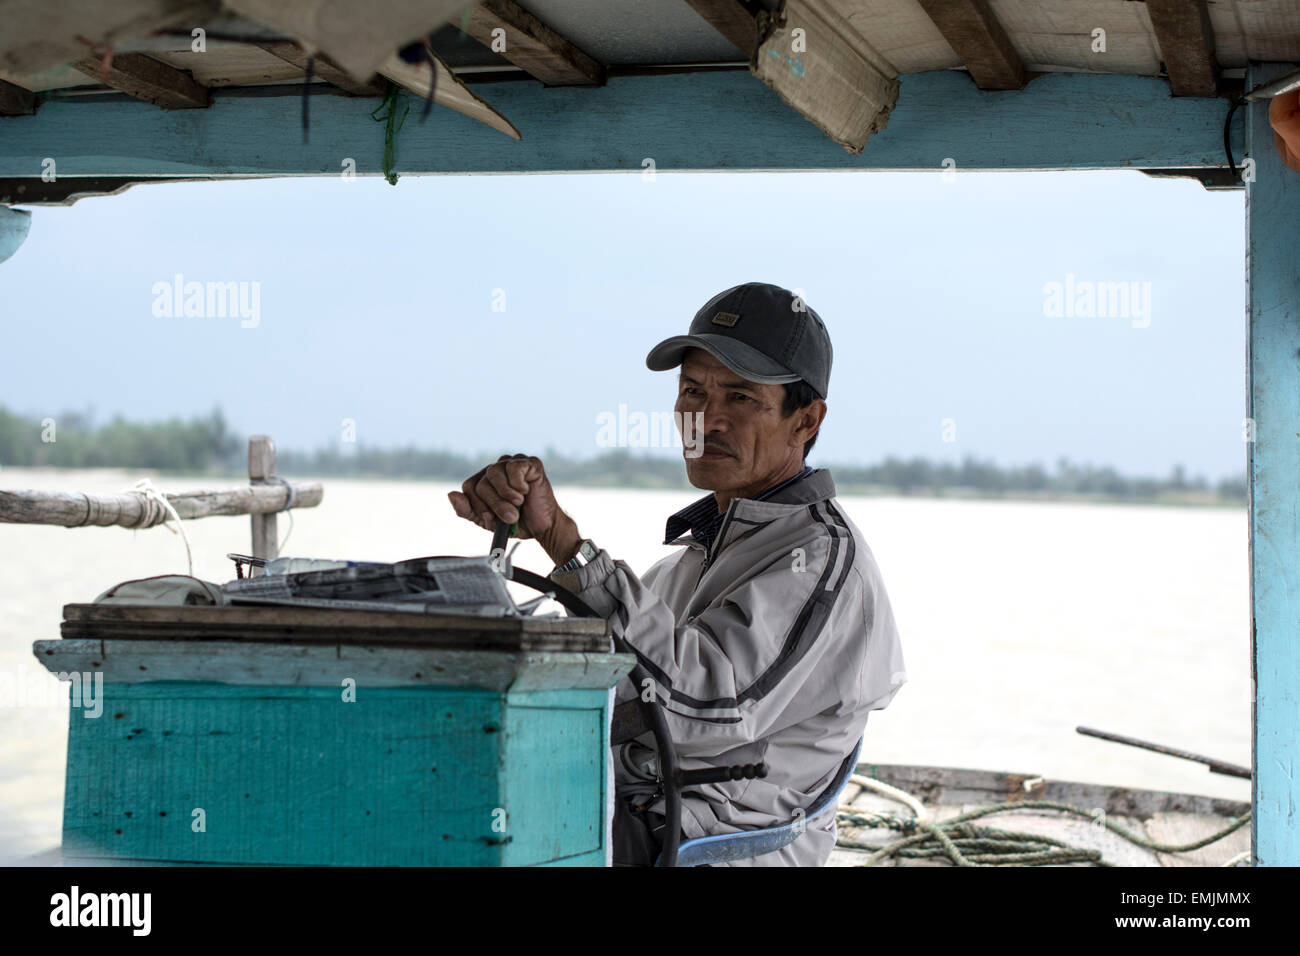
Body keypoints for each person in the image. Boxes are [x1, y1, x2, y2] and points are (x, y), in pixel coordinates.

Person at [449, 281, 906, 866]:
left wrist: (564, 542)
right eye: (693, 391)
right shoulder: (688, 560)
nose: (707, 420)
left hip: (709, 850)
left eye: (740, 398)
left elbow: (698, 706)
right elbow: (621, 683)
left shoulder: (818, 563)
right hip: (634, 818)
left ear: (806, 421)